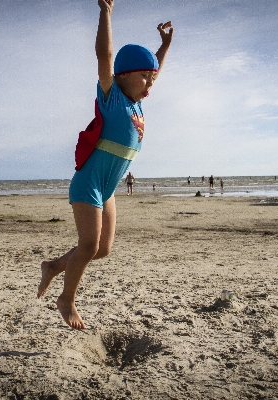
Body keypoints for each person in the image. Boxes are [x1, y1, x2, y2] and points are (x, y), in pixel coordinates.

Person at [37, 0, 173, 330]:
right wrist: (106, 12)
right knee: (87, 245)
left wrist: (164, 47)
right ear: (122, 77)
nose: (150, 84)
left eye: (152, 78)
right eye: (144, 78)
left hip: (108, 188)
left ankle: (54, 266)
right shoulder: (113, 97)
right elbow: (105, 57)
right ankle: (66, 300)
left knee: (102, 249)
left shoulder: (138, 105)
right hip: (88, 184)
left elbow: (151, 69)